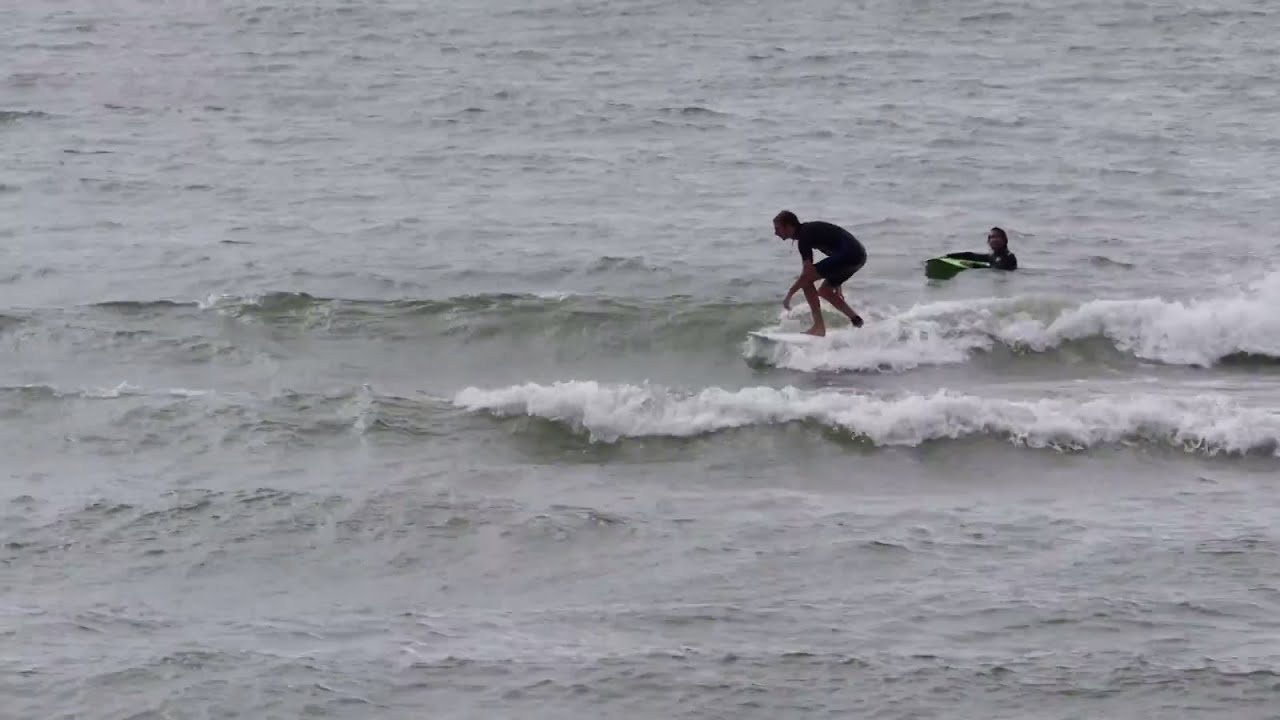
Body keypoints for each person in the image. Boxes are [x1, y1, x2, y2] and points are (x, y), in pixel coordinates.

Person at [773, 210, 866, 336]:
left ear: (788, 226)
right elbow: (836, 253)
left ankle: (819, 327)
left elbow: (807, 274)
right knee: (825, 291)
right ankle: (857, 321)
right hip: (858, 255)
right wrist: (837, 283)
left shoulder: (804, 236)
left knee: (806, 282)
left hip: (849, 255)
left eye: (778, 228)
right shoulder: (808, 232)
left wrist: (789, 296)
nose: (775, 233)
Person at [945, 227, 1017, 270]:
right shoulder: (993, 256)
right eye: (992, 237)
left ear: (1005, 240)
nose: (994, 240)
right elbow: (973, 256)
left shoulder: (1009, 257)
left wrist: (972, 265)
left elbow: (998, 269)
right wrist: (948, 256)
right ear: (988, 242)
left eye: (998, 237)